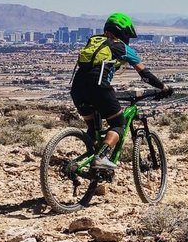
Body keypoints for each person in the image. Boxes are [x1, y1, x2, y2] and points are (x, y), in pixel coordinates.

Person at [70, 12, 172, 169]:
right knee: (118, 124)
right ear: (123, 33)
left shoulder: (94, 42)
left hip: (77, 88)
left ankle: (88, 166)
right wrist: (163, 88)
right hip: (98, 87)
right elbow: (145, 75)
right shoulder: (121, 47)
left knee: (93, 128)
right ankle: (100, 158)